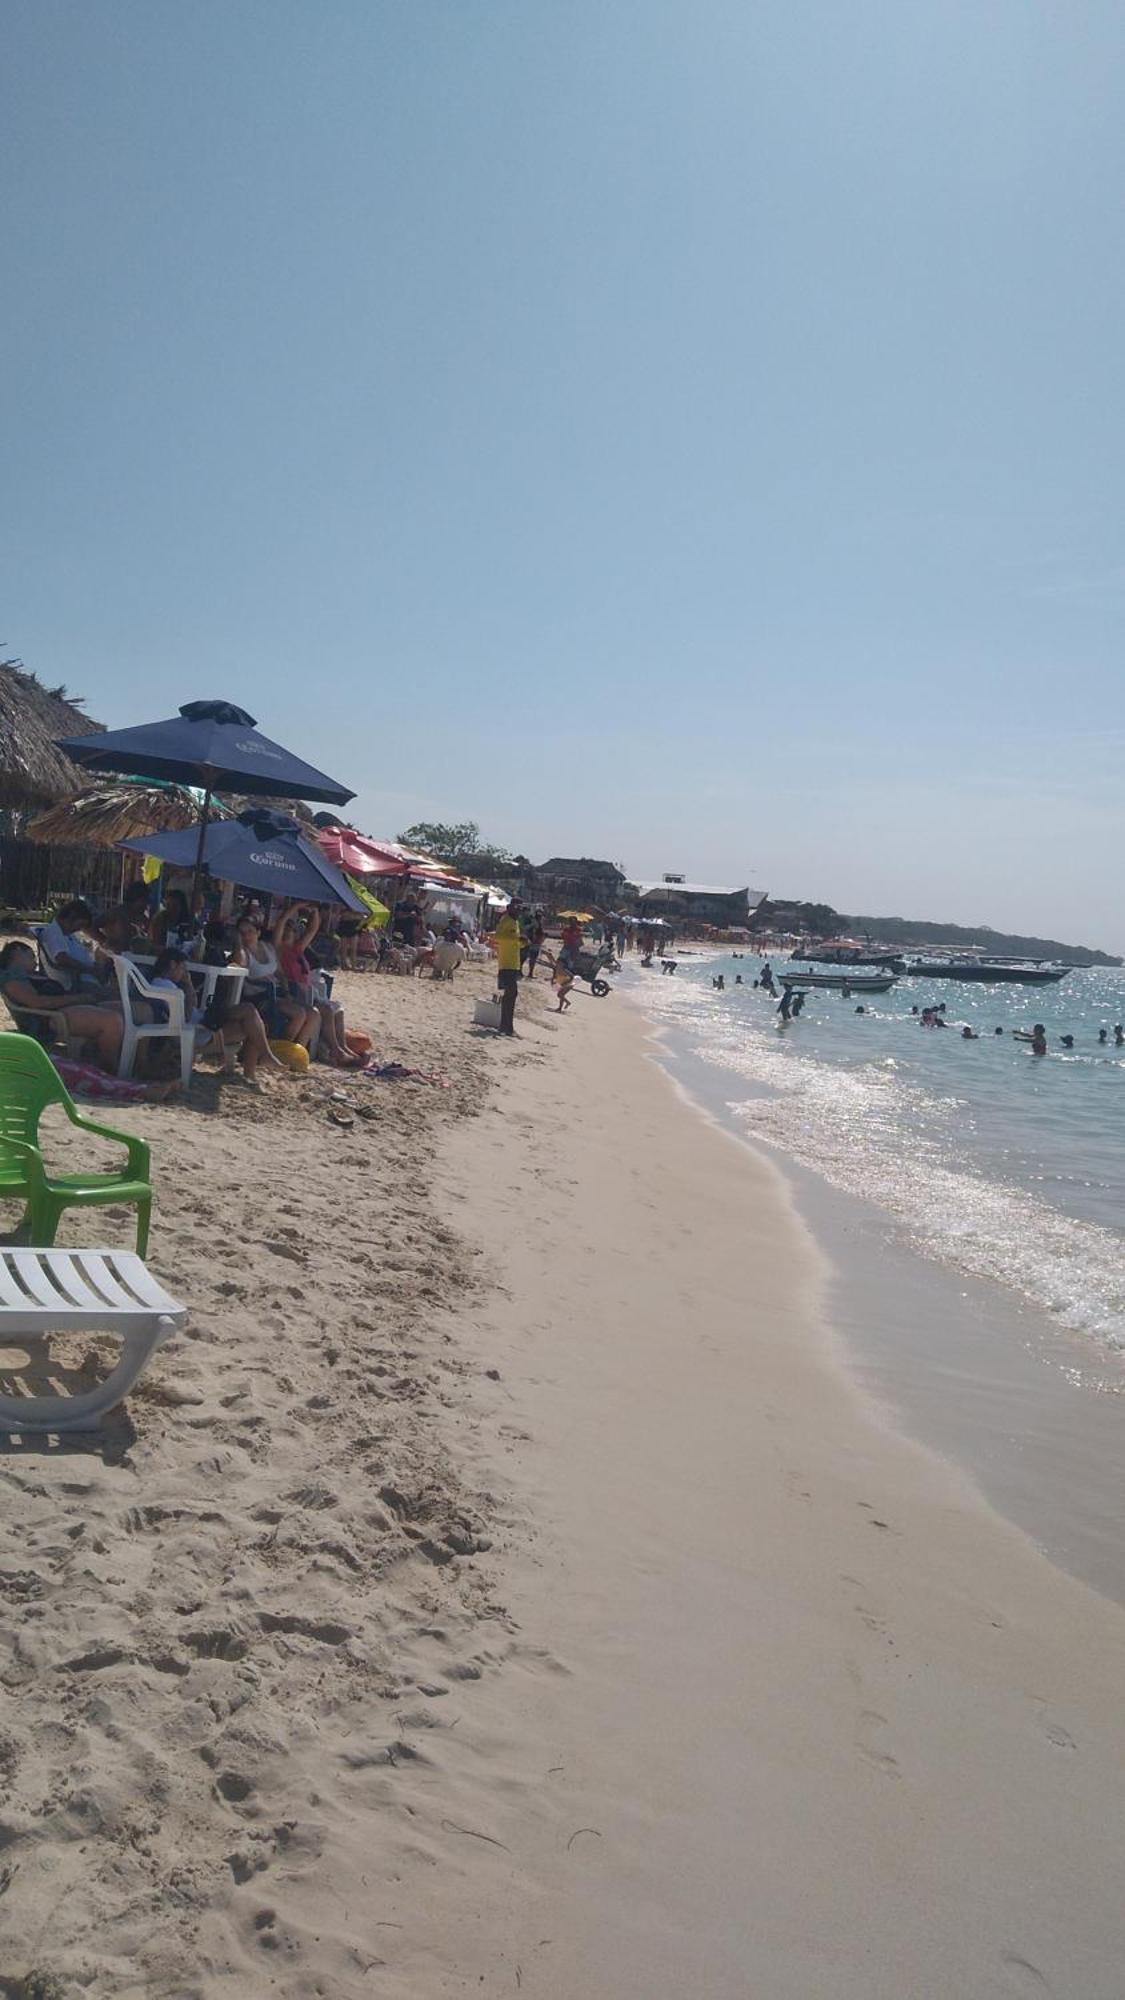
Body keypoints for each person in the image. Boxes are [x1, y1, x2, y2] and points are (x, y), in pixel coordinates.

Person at [149, 948, 284, 1085]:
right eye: (182, 967)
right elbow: (186, 1016)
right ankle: (260, 1062)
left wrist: (188, 986)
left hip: (202, 1025)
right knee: (250, 1016)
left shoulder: (164, 984)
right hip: (199, 1031)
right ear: (172, 964)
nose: (184, 972)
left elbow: (189, 1008)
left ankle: (256, 1066)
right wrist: (189, 988)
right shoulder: (164, 985)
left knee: (254, 1023)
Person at [0, 938, 126, 1071]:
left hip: (64, 1009)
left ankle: (137, 1064)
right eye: (31, 955)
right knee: (112, 1021)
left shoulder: (30, 974)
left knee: (135, 1011)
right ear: (17, 951)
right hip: (51, 1019)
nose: (35, 960)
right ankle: (110, 1071)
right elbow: (37, 1002)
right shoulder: (12, 977)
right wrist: (76, 999)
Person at [276, 904, 359, 1065]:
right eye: (286, 931)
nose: (288, 933)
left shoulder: (297, 949)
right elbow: (281, 922)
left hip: (308, 992)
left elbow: (312, 930)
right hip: (296, 994)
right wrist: (295, 908)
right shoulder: (280, 949)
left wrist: (314, 911)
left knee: (338, 1010)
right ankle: (336, 1050)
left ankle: (342, 1047)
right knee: (326, 1010)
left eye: (291, 930)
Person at [231, 915, 318, 1049]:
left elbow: (280, 973)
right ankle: (280, 1048)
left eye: (250, 931)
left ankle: (297, 1050)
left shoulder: (268, 948)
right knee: (299, 1014)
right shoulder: (243, 953)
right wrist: (238, 942)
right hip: (260, 996)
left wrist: (287, 991)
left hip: (278, 992)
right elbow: (239, 963)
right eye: (242, 933)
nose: (246, 936)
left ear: (258, 932)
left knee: (313, 1014)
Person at [39, 899, 105, 993]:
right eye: (80, 925)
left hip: (86, 977)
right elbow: (62, 959)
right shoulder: (54, 933)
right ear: (71, 918)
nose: (79, 929)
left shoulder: (65, 932)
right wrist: (89, 969)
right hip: (75, 982)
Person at [493, 900, 524, 1036]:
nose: (518, 910)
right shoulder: (505, 920)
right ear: (510, 907)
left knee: (510, 995)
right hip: (506, 963)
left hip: (513, 963)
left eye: (520, 908)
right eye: (516, 907)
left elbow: (514, 942)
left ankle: (505, 1026)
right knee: (511, 994)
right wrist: (516, 939)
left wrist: (522, 942)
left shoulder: (515, 921)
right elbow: (497, 937)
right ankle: (507, 1027)